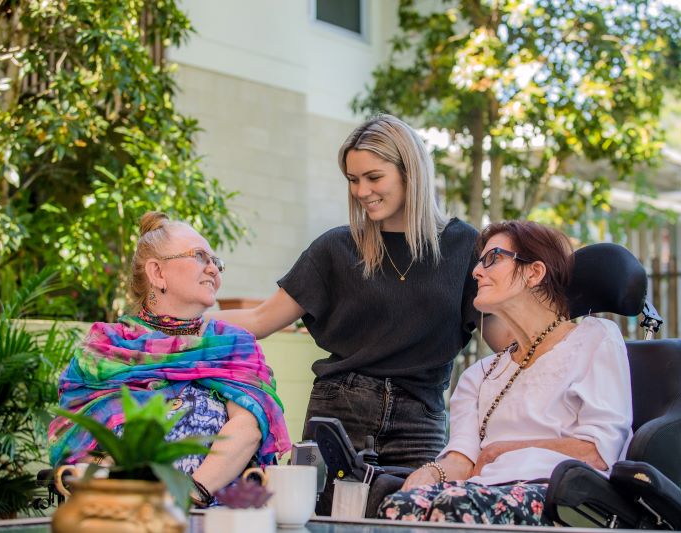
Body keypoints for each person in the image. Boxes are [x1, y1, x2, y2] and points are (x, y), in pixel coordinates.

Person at [208, 114, 507, 471]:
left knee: (413, 521)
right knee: (322, 523)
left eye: (373, 177)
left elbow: (503, 338)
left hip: (421, 419)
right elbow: (260, 319)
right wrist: (167, 323)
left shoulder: (466, 246)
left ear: (410, 172)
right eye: (353, 180)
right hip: (339, 412)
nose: (361, 191)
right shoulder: (335, 249)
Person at [377, 220, 632, 525]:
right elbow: (462, 460)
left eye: (492, 258)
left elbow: (598, 452)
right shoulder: (480, 375)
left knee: (453, 509)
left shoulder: (594, 338)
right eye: (478, 262)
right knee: (397, 507)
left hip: (561, 495)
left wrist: (503, 450)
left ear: (534, 272)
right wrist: (432, 472)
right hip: (480, 492)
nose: (476, 272)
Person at [48, 212, 291, 507]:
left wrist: (188, 494)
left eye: (217, 262)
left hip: (213, 517)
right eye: (200, 256)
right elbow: (79, 442)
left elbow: (248, 427)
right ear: (157, 273)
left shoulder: (234, 345)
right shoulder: (105, 348)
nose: (214, 268)